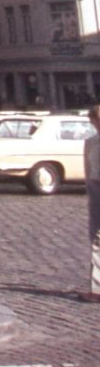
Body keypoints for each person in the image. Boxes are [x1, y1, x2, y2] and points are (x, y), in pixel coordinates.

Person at [84, 104, 100, 302]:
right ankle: (96, 288)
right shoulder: (90, 142)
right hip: (96, 188)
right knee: (96, 236)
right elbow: (88, 168)